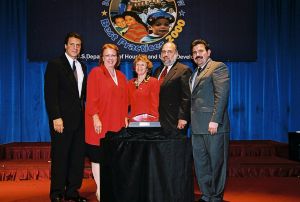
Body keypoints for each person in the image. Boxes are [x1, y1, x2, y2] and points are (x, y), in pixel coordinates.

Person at [44, 32, 87, 202]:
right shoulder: (55, 64)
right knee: (60, 156)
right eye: (72, 44)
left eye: (78, 45)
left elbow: (81, 96)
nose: (75, 47)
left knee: (77, 158)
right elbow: (50, 93)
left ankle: (72, 192)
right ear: (65, 46)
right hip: (61, 120)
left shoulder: (82, 66)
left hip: (79, 120)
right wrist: (56, 117)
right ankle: (56, 193)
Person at [85, 43, 128, 201]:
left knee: (114, 158)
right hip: (100, 122)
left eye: (113, 55)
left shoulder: (122, 76)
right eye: (107, 55)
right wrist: (95, 117)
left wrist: (125, 118)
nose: (110, 58)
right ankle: (101, 190)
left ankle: (112, 187)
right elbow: (91, 98)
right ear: (102, 58)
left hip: (117, 123)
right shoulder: (96, 73)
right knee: (98, 158)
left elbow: (125, 101)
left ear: (118, 58)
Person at [190, 39, 230, 202]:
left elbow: (221, 96)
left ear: (208, 52)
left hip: (213, 126)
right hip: (197, 127)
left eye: (200, 51)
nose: (197, 55)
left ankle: (216, 196)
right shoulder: (195, 73)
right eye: (194, 53)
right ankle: (207, 194)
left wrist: (215, 120)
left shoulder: (218, 67)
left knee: (217, 163)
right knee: (201, 164)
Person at [153, 42, 192, 136]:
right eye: (163, 52)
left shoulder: (183, 70)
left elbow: (187, 97)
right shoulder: (157, 71)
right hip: (158, 120)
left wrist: (183, 118)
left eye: (169, 52)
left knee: (174, 149)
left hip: (175, 121)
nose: (166, 55)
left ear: (176, 54)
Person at [128, 54, 160, 121]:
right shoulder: (130, 83)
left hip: (148, 121)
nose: (139, 67)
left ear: (147, 68)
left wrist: (154, 120)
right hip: (133, 121)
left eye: (142, 65)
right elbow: (127, 103)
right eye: (137, 64)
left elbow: (155, 104)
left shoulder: (153, 82)